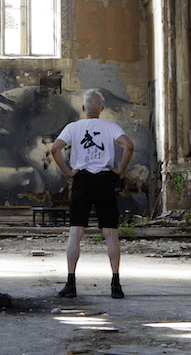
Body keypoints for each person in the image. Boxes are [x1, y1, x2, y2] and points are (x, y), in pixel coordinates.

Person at [51, 89, 134, 298]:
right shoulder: (111, 127)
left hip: (83, 180)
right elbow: (128, 145)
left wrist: (69, 172)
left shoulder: (74, 127)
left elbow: (55, 149)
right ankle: (116, 285)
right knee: (110, 233)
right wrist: (120, 170)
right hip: (105, 180)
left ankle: (70, 284)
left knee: (76, 232)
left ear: (83, 108)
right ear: (102, 108)